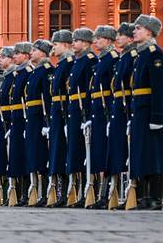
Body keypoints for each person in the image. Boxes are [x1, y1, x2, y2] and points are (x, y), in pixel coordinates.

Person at [130, 14, 163, 210]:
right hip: (140, 111)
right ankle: (143, 197)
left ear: (149, 31)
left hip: (151, 111)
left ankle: (155, 197)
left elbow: (159, 86)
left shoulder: (155, 54)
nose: (134, 31)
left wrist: (156, 116)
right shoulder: (141, 55)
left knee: (154, 155)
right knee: (141, 154)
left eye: (138, 28)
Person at [66, 28, 98, 207]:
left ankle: (90, 192)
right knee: (75, 153)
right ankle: (79, 193)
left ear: (85, 42)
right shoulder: (78, 61)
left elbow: (90, 90)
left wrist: (87, 115)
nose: (73, 44)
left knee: (86, 154)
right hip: (74, 112)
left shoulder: (89, 61)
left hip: (83, 112)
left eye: (76, 40)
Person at [89, 25, 119, 209]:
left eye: (98, 38)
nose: (95, 42)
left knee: (108, 154)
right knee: (99, 153)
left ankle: (108, 195)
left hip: (107, 111)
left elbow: (115, 87)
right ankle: (101, 195)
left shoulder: (112, 59)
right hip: (98, 112)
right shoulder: (101, 60)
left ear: (107, 40)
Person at [107, 23, 136, 210]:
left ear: (130, 38)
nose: (118, 38)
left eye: (121, 35)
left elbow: (132, 85)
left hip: (129, 109)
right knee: (118, 153)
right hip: (118, 109)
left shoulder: (132, 57)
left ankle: (135, 195)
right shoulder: (122, 58)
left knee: (131, 155)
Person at [24, 39, 54, 206]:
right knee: (34, 155)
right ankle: (39, 193)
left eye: (34, 50)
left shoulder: (46, 70)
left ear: (42, 53)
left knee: (42, 156)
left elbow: (47, 99)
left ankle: (46, 192)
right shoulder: (36, 72)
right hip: (33, 119)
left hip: (41, 119)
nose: (31, 53)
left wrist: (46, 123)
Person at [46, 30, 75, 207]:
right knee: (58, 154)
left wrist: (65, 117)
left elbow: (68, 92)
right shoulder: (61, 65)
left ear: (65, 45)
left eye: (55, 45)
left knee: (66, 154)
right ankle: (62, 193)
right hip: (58, 114)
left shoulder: (68, 64)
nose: (53, 48)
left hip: (66, 113)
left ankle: (69, 193)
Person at [8, 42, 33, 206]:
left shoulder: (28, 72)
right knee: (17, 158)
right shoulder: (18, 74)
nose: (14, 56)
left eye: (17, 53)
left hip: (25, 119)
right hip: (15, 120)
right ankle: (22, 194)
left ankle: (28, 193)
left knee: (26, 158)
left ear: (25, 55)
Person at [0, 46, 15, 206]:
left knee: (15, 159)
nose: (0, 60)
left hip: (13, 122)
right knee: (3, 159)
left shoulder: (14, 76)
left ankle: (18, 192)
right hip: (3, 122)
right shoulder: (7, 77)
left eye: (3, 57)